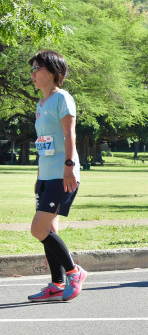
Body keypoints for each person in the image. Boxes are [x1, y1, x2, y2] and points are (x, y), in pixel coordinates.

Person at [27, 50, 88, 302]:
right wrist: (39, 176)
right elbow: (44, 142)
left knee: (37, 229)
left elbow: (69, 134)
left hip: (63, 175)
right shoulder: (41, 105)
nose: (32, 74)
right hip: (46, 177)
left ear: (52, 72)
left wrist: (68, 166)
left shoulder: (62, 97)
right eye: (31, 69)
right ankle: (56, 283)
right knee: (49, 230)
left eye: (36, 69)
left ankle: (75, 272)